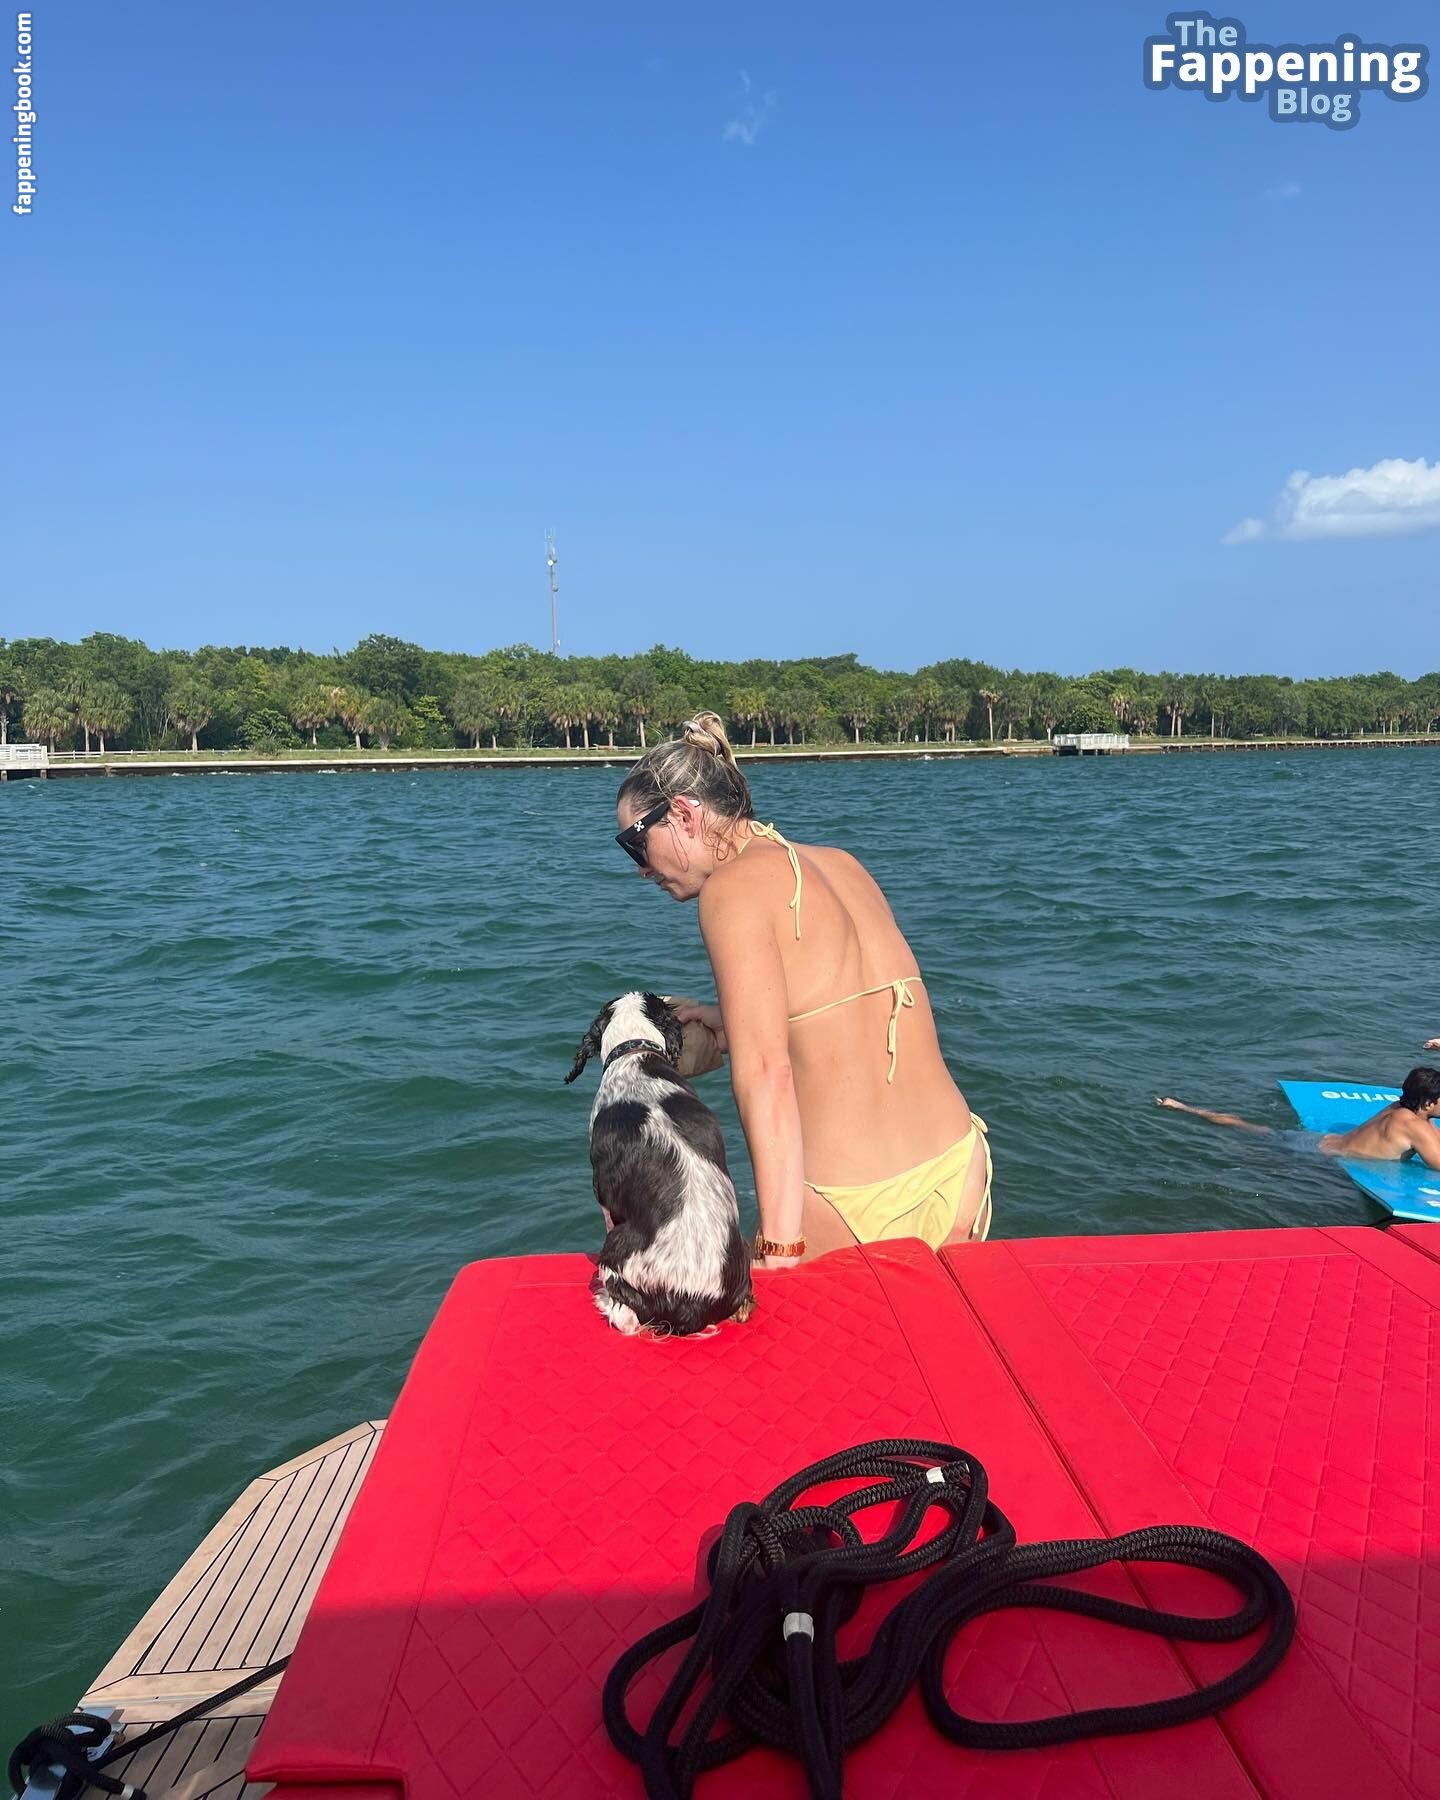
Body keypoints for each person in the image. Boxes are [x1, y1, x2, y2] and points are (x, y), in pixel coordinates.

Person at [614, 713, 992, 1269]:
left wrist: (780, 1246)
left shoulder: (731, 890)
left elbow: (768, 1075)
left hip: (852, 1202)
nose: (642, 870)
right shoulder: (841, 864)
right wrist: (731, 1021)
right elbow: (852, 1004)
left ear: (685, 814)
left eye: (635, 844)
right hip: (958, 1167)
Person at [1157, 1068, 1440, 1168]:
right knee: (1248, 1159)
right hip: (1319, 1157)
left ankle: (1183, 1107)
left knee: (1251, 1128)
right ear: (1428, 1103)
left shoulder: (1399, 1107)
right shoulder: (1415, 1126)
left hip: (1313, 1140)